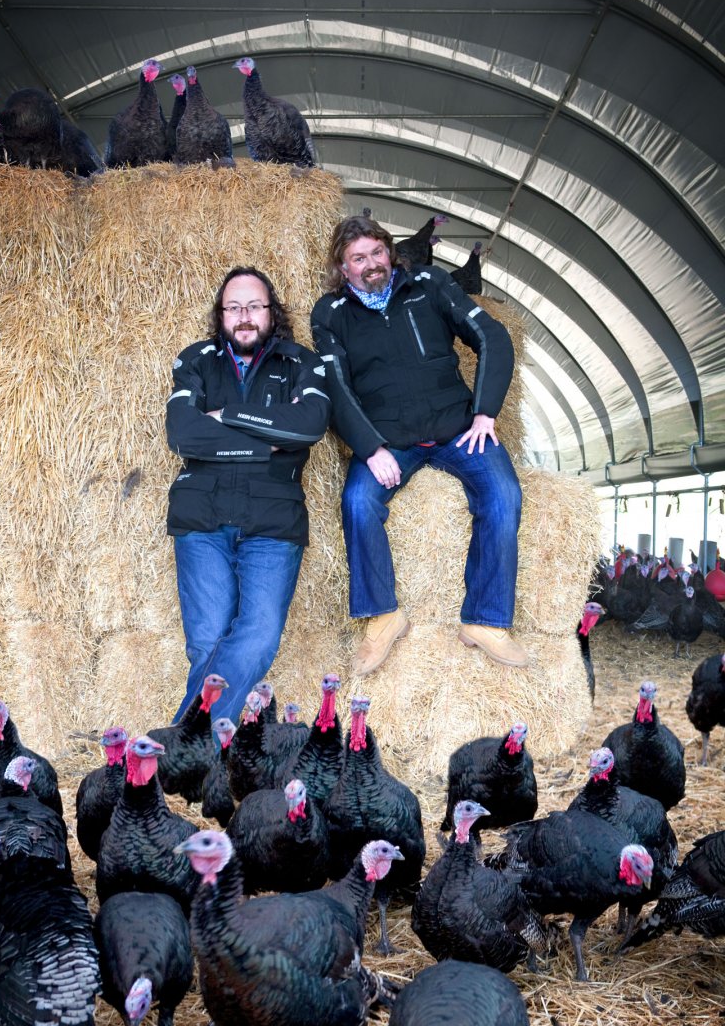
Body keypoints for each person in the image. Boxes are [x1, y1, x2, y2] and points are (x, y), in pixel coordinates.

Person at [310, 215, 528, 677]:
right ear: (342, 268)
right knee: (358, 500)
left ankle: (485, 619)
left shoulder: (429, 284)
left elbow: (492, 336)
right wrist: (371, 448)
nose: (371, 264)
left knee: (504, 494)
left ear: (390, 252)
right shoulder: (330, 313)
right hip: (391, 440)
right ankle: (384, 616)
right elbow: (334, 386)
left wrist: (485, 412)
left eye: (377, 252)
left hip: (457, 429)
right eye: (358, 258)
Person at [166, 266, 331, 724]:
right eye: (234, 307)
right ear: (220, 314)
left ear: (272, 311)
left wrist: (226, 415)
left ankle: (184, 740)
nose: (244, 316)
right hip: (201, 516)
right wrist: (266, 440)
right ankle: (206, 751)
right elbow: (182, 434)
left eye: (254, 306)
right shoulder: (195, 360)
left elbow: (309, 426)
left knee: (257, 638)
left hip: (273, 520)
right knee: (207, 642)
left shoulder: (303, 363)